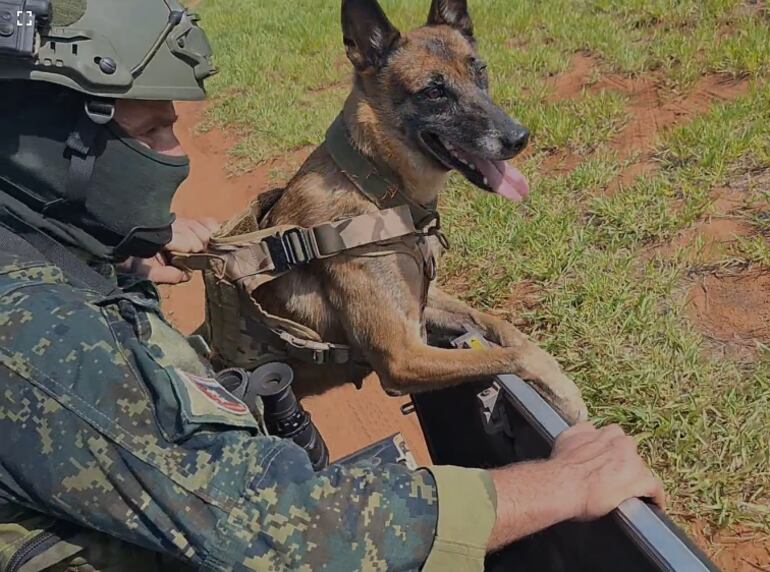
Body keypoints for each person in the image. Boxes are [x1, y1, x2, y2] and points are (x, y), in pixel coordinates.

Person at [0, 1, 664, 570]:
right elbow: (284, 534)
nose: (180, 152)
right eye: (150, 131)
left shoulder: (40, 248)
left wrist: (117, 250)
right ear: (54, 154)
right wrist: (560, 485)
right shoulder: (38, 338)